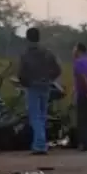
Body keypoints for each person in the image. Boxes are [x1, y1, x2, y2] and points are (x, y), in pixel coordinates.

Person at [17, 26, 62, 155]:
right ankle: (41, 143)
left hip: (33, 87)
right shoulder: (48, 53)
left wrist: (26, 83)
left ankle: (39, 145)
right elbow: (58, 70)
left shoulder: (26, 54)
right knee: (42, 115)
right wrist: (49, 79)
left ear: (27, 38)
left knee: (35, 116)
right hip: (46, 86)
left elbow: (21, 73)